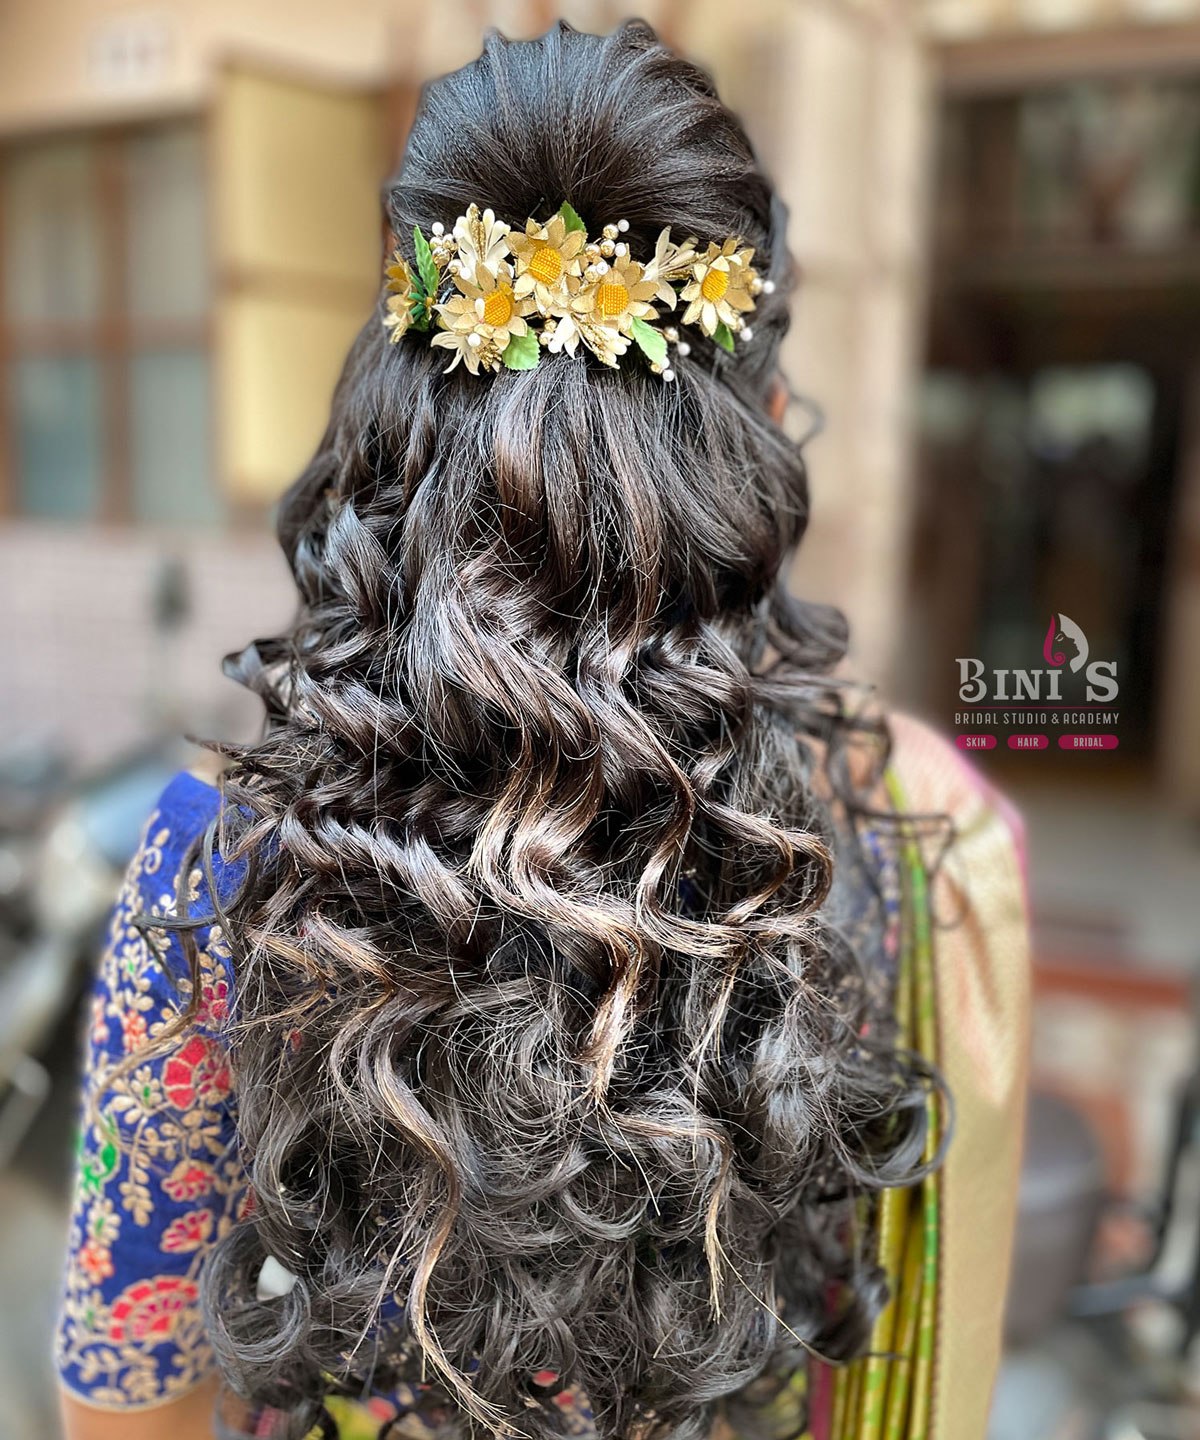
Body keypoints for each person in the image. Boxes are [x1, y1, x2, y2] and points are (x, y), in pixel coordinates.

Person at [54, 21, 1029, 1440]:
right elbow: (911, 1350)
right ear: (757, 429)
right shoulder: (912, 845)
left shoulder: (228, 864)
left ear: (394, 429)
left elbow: (125, 1393)